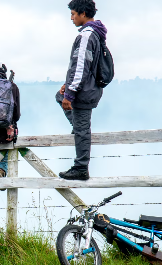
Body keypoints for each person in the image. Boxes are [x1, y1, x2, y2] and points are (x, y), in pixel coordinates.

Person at [57, 0, 106, 181]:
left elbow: (80, 67)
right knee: (59, 97)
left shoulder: (86, 36)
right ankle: (76, 128)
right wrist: (66, 86)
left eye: (73, 14)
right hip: (90, 87)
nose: (71, 18)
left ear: (83, 14)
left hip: (84, 91)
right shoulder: (97, 34)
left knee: (82, 130)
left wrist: (70, 93)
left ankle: (81, 168)